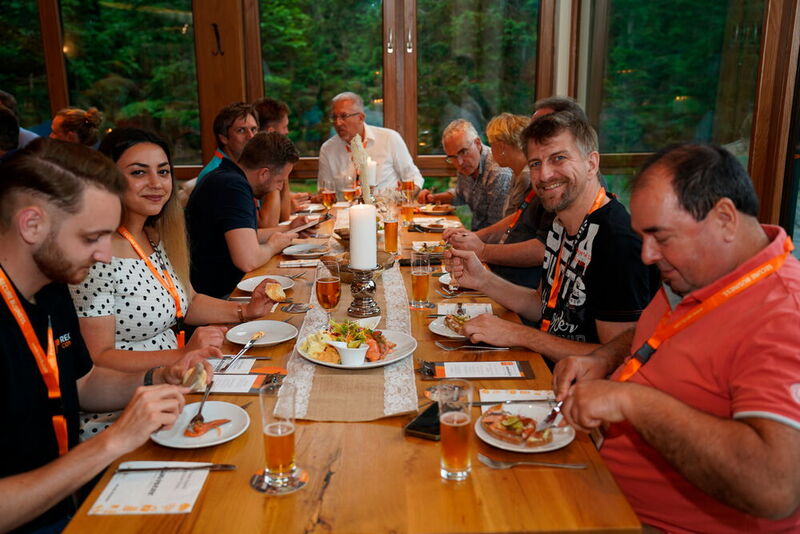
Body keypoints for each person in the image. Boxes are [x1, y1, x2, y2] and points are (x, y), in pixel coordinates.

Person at [554, 143, 800, 532]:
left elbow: (776, 487)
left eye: (661, 237)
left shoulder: (785, 314)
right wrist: (604, 359)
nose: (648, 255)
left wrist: (632, 402)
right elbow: (661, 332)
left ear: (724, 218)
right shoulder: (701, 271)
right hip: (604, 483)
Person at [0, 138, 214, 533]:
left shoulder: (52, 286)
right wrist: (112, 442)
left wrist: (156, 378)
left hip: (67, 504)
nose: (103, 254)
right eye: (90, 237)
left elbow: (81, 383)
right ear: (31, 224)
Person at [447, 111, 658, 362]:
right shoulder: (560, 224)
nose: (544, 175)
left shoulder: (617, 240)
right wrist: (483, 280)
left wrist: (520, 334)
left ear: (591, 163)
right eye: (535, 163)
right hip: (544, 366)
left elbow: (615, 356)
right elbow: (540, 305)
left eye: (558, 158)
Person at [71, 128, 277, 373]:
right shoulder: (96, 258)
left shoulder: (157, 236)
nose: (156, 183)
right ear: (107, 179)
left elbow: (188, 303)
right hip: (134, 396)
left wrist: (246, 310)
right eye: (138, 172)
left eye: (163, 172)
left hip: (179, 376)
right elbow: (98, 359)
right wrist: (182, 354)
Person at [444, 113, 552, 290]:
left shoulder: (528, 177)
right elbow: (517, 218)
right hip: (507, 272)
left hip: (517, 278)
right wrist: (474, 239)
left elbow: (537, 246)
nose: (489, 149)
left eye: (491, 144)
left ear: (501, 147)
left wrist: (482, 250)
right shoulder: (521, 174)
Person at [186, 132, 300, 298]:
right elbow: (248, 260)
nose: (281, 187)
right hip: (217, 296)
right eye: (280, 180)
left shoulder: (225, 177)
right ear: (264, 174)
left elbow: (244, 236)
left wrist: (289, 228)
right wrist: (273, 246)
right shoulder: (234, 188)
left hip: (216, 289)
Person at [317, 91, 423, 195]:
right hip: (345, 211)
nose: (338, 123)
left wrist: (405, 199)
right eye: (334, 117)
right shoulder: (328, 149)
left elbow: (414, 178)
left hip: (385, 209)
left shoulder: (389, 138)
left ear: (361, 118)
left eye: (343, 116)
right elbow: (324, 190)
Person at [417, 119, 512, 231]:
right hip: (477, 236)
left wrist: (467, 239)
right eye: (452, 157)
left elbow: (498, 229)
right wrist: (433, 198)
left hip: (491, 242)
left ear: (477, 143)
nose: (459, 163)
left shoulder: (498, 173)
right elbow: (460, 195)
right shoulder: (466, 165)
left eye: (463, 152)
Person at [252, 97, 310, 225]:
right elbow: (268, 225)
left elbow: (284, 215)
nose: (287, 132)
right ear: (272, 132)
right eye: (285, 127)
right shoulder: (254, 167)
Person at [195, 102, 258, 183]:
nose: (251, 136)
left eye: (253, 129)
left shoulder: (246, 165)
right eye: (241, 130)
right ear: (223, 138)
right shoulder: (217, 175)